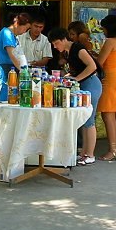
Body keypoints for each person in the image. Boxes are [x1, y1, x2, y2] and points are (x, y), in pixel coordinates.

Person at [48, 27, 102, 165]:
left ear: (64, 39)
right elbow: (79, 69)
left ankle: (90, 154)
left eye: (56, 43)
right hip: (84, 85)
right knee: (83, 120)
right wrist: (71, 76)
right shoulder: (68, 52)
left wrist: (77, 78)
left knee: (89, 120)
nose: (55, 46)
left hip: (91, 84)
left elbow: (92, 66)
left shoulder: (78, 48)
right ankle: (84, 153)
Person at [96, 15, 116, 161]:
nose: (103, 31)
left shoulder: (109, 41)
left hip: (109, 80)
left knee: (107, 116)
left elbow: (99, 62)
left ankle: (113, 150)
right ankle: (114, 148)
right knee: (110, 116)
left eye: (103, 28)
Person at [0, 12, 31, 103]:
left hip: (12, 73)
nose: (24, 31)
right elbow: (12, 55)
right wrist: (25, 72)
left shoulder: (14, 37)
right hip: (4, 73)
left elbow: (20, 56)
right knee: (2, 106)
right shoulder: (6, 33)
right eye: (25, 28)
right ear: (17, 24)